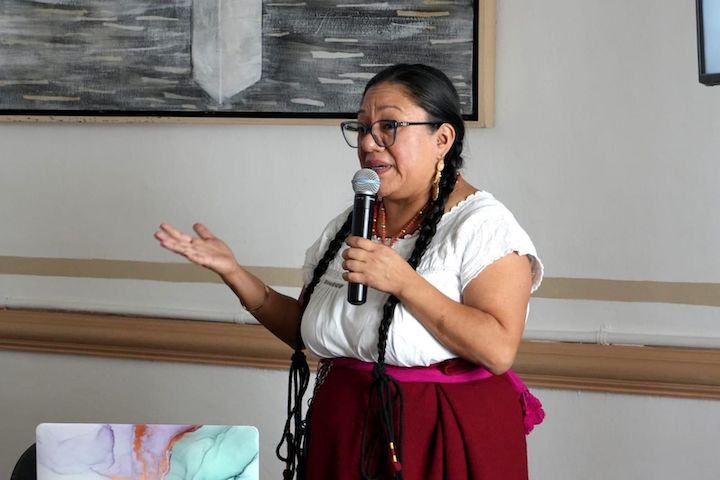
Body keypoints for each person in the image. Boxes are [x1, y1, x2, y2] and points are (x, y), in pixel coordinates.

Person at [155, 63, 544, 480]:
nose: (369, 142)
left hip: (438, 440)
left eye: (389, 126)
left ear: (442, 139)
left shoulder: (483, 225)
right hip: (343, 430)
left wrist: (404, 282)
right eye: (361, 128)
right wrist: (233, 272)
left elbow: (497, 351)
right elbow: (308, 328)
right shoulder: (350, 224)